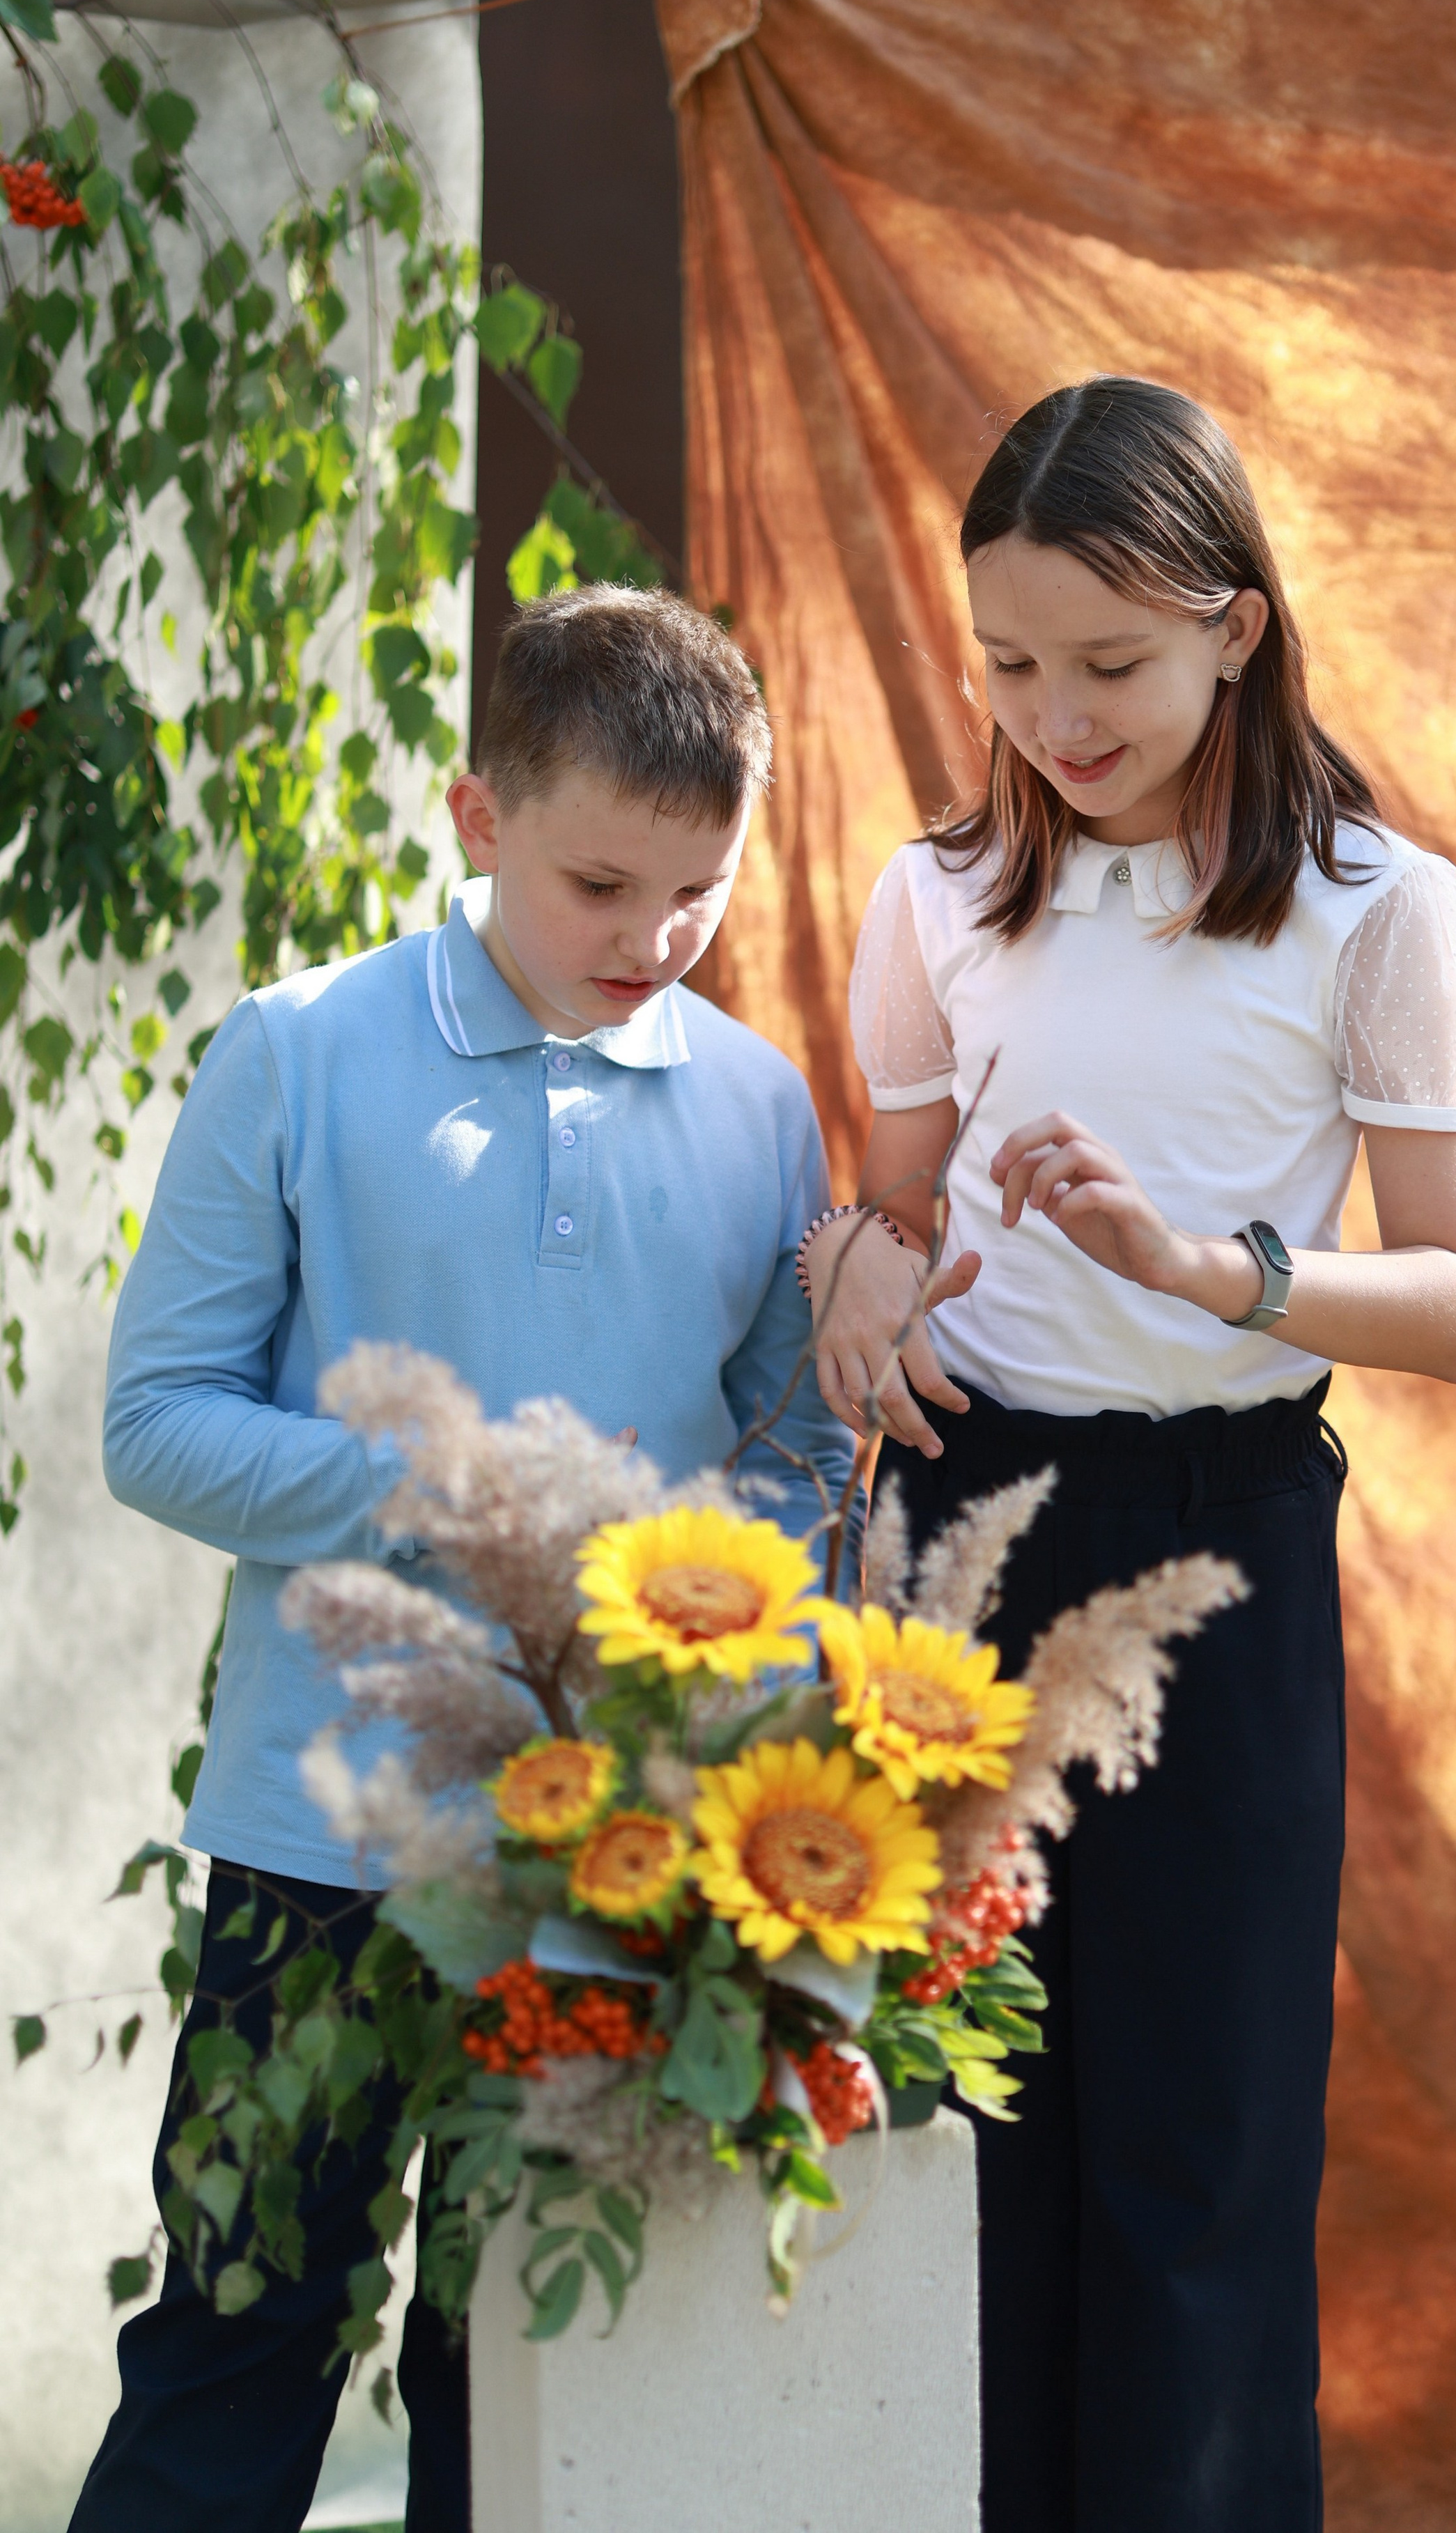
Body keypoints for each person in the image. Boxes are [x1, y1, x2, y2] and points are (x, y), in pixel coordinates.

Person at [801, 378, 1456, 2533]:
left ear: (1236, 627)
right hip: (957, 1546)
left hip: (1222, 1551)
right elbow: (896, 1204)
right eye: (1009, 666)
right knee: (963, 2147)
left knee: (1199, 2179)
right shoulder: (940, 896)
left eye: (1110, 664)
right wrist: (850, 1265)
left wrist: (1213, 1270)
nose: (1056, 715)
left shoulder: (1380, 912)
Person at [73, 584, 855, 2533]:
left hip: (614, 1855)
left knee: (523, 2397)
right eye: (603, 884)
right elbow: (155, 1422)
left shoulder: (762, 1109)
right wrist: (449, 1498)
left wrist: (696, 1611)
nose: (652, 944)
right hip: (317, 1835)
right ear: (475, 817)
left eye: (701, 894)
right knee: (237, 2349)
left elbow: (809, 1458)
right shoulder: (301, 1053)